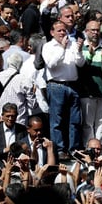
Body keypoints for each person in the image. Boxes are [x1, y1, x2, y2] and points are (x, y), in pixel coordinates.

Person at [42, 20, 85, 160]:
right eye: (59, 30)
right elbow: (51, 64)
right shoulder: (48, 46)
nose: (62, 33)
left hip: (73, 85)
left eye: (64, 30)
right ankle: (59, 150)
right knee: (57, 121)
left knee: (75, 120)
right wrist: (62, 48)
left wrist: (78, 51)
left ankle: (74, 149)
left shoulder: (72, 44)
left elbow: (80, 63)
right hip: (56, 85)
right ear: (52, 32)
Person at [79, 20, 102, 145]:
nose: (95, 33)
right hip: (87, 92)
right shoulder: (82, 48)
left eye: (97, 30)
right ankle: (90, 148)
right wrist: (90, 55)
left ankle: (100, 147)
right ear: (86, 32)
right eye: (92, 30)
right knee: (88, 123)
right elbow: (83, 69)